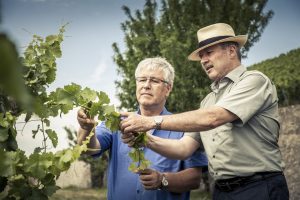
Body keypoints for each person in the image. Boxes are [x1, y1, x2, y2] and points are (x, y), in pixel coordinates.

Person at [120, 23, 289, 200]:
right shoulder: (208, 101)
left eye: (209, 53)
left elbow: (213, 118)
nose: (203, 60)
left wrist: (150, 122)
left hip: (259, 188)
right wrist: (145, 138)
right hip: (221, 192)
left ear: (231, 51)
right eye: (201, 55)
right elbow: (183, 148)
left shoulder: (254, 81)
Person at [77, 57, 208, 200]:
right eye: (142, 80)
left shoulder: (182, 126)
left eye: (154, 81)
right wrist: (86, 128)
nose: (146, 85)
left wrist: (163, 179)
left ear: (168, 89)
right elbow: (88, 149)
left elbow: (194, 178)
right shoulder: (116, 121)